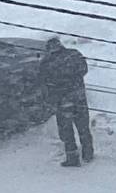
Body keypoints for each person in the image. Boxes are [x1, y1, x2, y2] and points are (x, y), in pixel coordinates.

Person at [39, 37, 94, 167]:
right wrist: (72, 80)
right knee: (83, 127)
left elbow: (43, 82)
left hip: (62, 101)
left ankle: (72, 156)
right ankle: (88, 153)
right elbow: (83, 69)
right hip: (79, 97)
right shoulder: (74, 54)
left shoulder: (46, 62)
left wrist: (53, 93)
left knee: (66, 130)